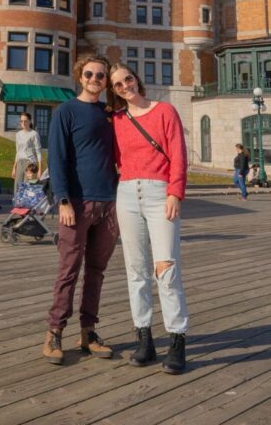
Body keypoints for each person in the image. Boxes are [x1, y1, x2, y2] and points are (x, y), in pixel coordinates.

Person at [109, 62, 189, 375]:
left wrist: (175, 192)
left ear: (137, 79)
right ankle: (145, 338)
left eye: (127, 78)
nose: (124, 86)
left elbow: (178, 154)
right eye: (117, 85)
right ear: (114, 92)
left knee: (166, 268)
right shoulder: (116, 120)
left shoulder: (165, 111)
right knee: (136, 270)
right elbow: (114, 159)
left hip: (159, 194)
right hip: (127, 193)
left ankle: (177, 339)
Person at [45, 54, 118, 366]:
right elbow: (57, 158)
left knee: (97, 271)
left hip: (110, 203)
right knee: (68, 270)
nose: (94, 79)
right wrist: (62, 200)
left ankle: (88, 331)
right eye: (89, 74)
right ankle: (54, 331)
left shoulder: (111, 113)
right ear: (80, 76)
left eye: (101, 76)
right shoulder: (66, 111)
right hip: (77, 202)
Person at [12, 113, 42, 189]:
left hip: (30, 163)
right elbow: (17, 151)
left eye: (25, 121)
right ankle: (17, 201)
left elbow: (38, 152)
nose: (23, 123)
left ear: (30, 121)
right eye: (21, 121)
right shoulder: (18, 134)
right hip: (20, 162)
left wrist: (39, 170)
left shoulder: (34, 134)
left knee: (27, 186)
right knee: (17, 186)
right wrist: (14, 168)